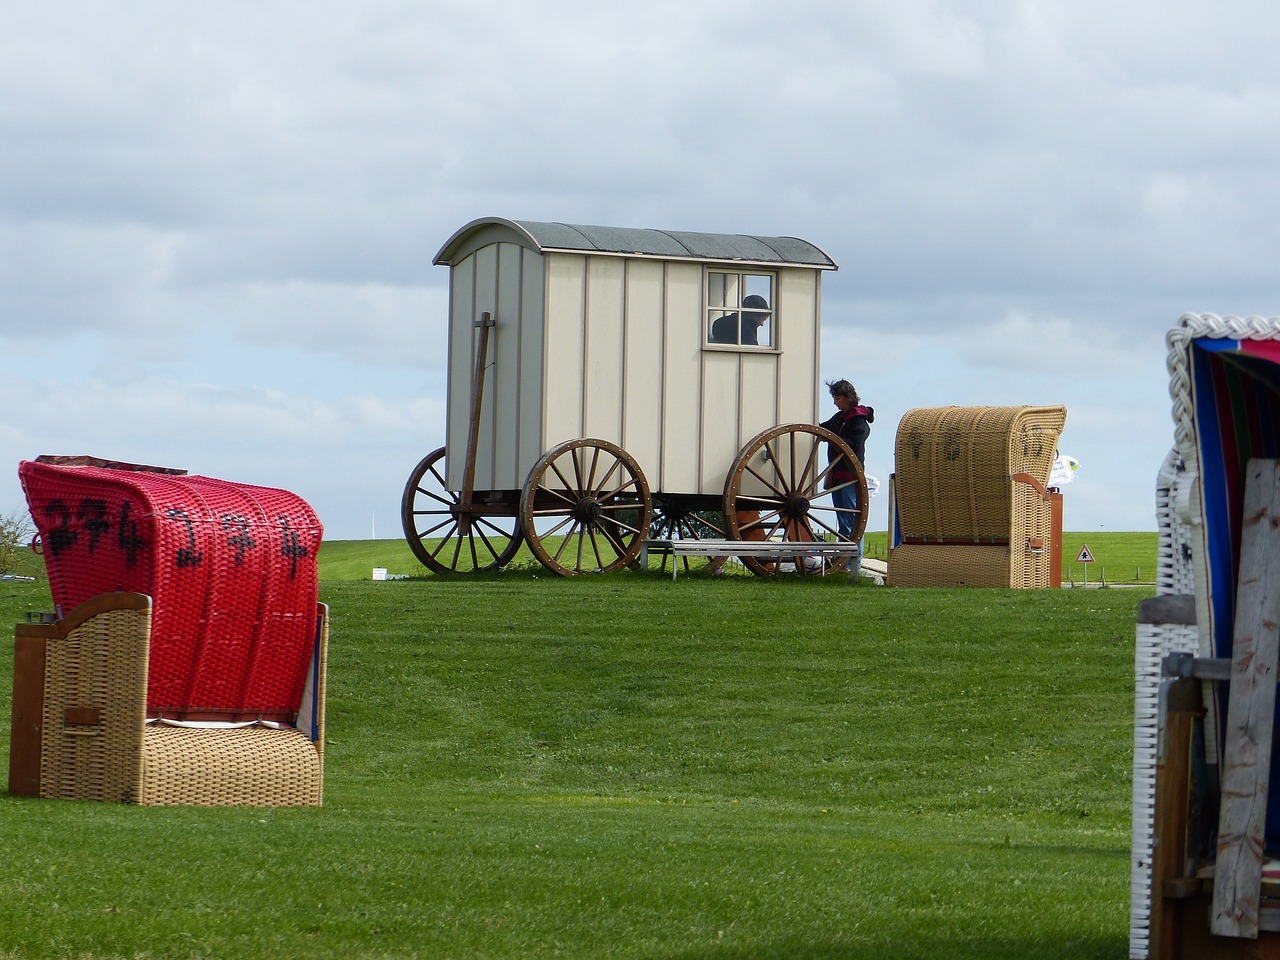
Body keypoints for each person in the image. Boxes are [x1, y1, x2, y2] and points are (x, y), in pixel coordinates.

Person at [819, 379, 874, 574]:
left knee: (852, 520)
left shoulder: (858, 421)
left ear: (848, 398)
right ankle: (844, 563)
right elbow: (823, 428)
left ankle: (853, 564)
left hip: (850, 476)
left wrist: (833, 439)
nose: (835, 402)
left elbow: (852, 443)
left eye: (838, 398)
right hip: (838, 476)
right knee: (843, 521)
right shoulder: (840, 417)